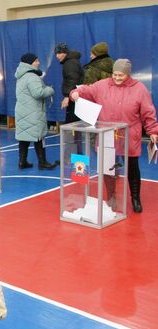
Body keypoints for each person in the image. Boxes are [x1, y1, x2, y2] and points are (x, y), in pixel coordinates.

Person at [70, 59, 158, 213]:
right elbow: (86, 90)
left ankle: (135, 198)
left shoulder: (139, 89)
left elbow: (148, 112)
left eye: (121, 75)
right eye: (115, 74)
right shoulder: (102, 85)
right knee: (107, 168)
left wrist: (153, 131)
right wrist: (75, 93)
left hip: (129, 135)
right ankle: (111, 197)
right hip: (107, 135)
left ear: (128, 74)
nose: (117, 78)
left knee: (132, 167)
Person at [15, 53, 58, 170]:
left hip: (23, 111)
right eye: (36, 61)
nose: (38, 63)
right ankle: (43, 162)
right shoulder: (32, 77)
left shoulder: (21, 76)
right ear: (30, 63)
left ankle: (22, 162)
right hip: (33, 112)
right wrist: (49, 89)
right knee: (39, 137)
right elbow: (38, 93)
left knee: (24, 137)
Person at [54, 42, 83, 124]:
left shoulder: (70, 63)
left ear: (65, 53)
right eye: (56, 53)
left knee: (72, 123)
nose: (57, 56)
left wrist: (67, 97)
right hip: (75, 96)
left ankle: (74, 137)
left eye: (59, 53)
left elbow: (72, 79)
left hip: (74, 97)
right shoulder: (72, 62)